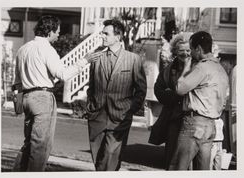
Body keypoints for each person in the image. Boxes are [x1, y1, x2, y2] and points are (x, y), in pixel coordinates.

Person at [12, 15, 87, 171]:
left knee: (29, 143)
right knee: (40, 146)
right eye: (57, 31)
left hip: (26, 97)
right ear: (49, 31)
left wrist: (18, 101)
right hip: (42, 98)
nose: (58, 34)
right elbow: (64, 74)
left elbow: (17, 81)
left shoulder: (23, 49)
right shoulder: (46, 49)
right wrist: (84, 61)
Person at [86, 19, 147, 171]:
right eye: (103, 33)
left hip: (120, 116)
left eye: (106, 34)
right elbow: (91, 86)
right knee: (99, 160)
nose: (103, 36)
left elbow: (141, 90)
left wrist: (130, 110)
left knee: (110, 155)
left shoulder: (133, 59)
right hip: (97, 116)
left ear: (118, 36)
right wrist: (90, 106)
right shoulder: (97, 58)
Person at [169, 31, 229, 170]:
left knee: (178, 166)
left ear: (199, 49)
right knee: (202, 169)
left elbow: (180, 88)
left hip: (194, 124)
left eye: (191, 49)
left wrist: (186, 68)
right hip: (210, 125)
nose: (190, 53)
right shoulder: (220, 69)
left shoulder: (202, 67)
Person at [150, 33, 191, 170]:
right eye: (181, 51)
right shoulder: (169, 70)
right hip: (173, 117)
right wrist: (174, 97)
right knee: (171, 156)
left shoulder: (198, 68)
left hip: (191, 118)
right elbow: (158, 89)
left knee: (188, 157)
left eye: (188, 50)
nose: (185, 54)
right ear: (175, 52)